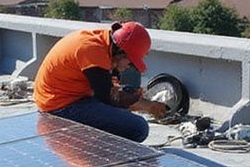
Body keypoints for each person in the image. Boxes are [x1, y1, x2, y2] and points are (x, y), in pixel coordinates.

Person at [32, 21, 167, 142]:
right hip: (59, 106)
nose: (128, 67)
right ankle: (93, 141)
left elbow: (109, 88)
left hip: (72, 96)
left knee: (125, 105)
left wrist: (140, 102)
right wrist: (146, 105)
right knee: (138, 127)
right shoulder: (93, 51)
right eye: (130, 63)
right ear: (120, 52)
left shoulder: (103, 42)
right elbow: (108, 99)